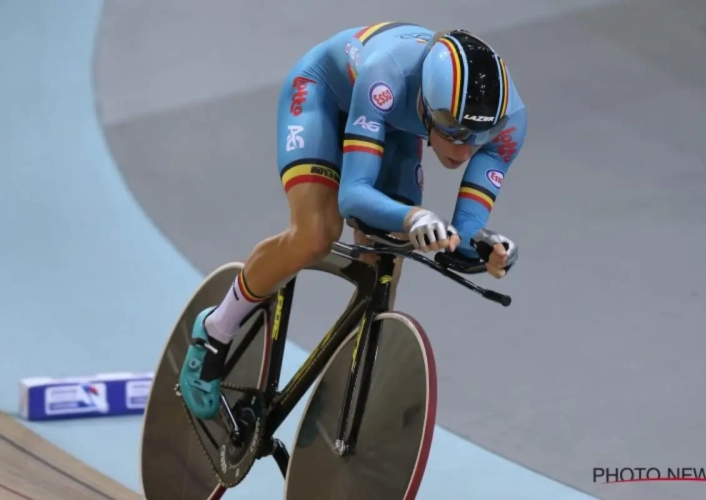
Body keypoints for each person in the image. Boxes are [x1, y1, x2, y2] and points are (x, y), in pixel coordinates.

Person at [179, 23, 527, 419]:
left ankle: (350, 389)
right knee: (316, 234)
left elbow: (464, 232)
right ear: (428, 104)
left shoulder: (510, 121)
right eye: (454, 131)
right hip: (324, 95)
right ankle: (216, 330)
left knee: (388, 253)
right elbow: (353, 196)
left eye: (478, 136)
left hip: (394, 121)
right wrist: (413, 216)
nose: (465, 151)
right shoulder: (387, 72)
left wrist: (484, 247)